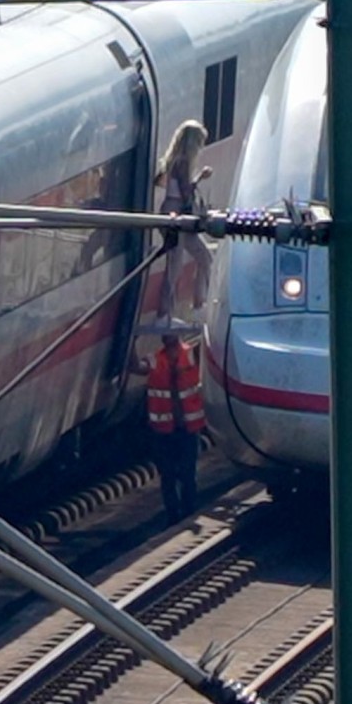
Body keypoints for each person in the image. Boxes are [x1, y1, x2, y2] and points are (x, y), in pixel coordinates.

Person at [131, 331, 206, 526]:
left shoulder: (191, 354)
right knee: (168, 475)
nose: (166, 338)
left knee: (188, 473)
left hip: (187, 427)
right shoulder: (155, 359)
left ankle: (189, 510)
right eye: (164, 335)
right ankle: (174, 516)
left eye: (170, 334)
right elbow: (136, 367)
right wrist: (130, 342)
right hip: (164, 429)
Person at [153, 120, 215, 317]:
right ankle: (165, 314)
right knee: (176, 265)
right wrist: (200, 177)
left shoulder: (172, 160)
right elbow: (186, 192)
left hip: (172, 210)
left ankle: (198, 304)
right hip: (177, 214)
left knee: (204, 257)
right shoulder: (183, 162)